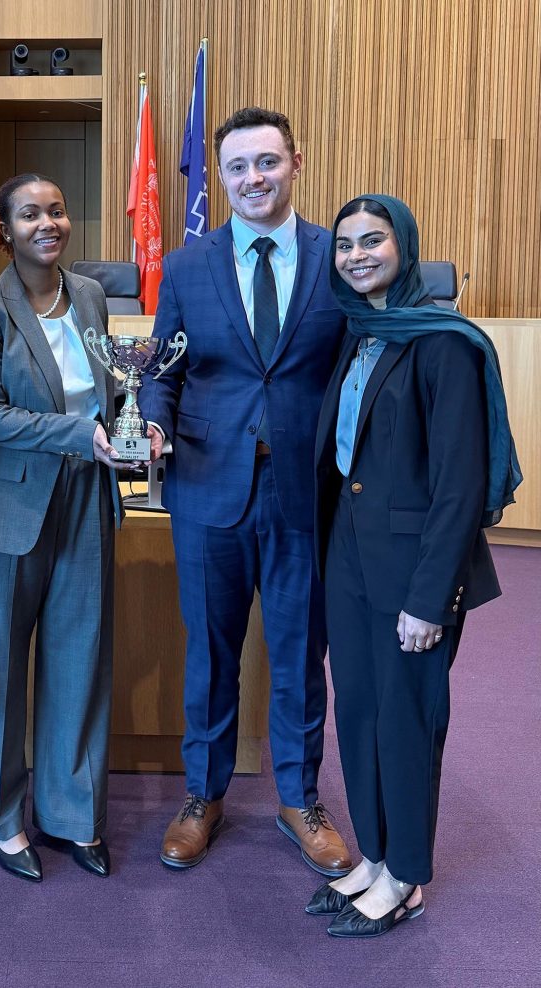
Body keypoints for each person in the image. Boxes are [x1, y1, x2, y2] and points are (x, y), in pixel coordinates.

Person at [138, 107, 353, 875]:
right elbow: (162, 369)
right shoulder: (187, 266)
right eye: (237, 167)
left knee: (300, 653)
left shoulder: (339, 256)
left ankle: (300, 799)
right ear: (220, 177)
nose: (253, 178)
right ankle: (203, 795)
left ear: (295, 162)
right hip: (206, 487)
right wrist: (151, 423)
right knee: (210, 653)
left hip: (306, 491)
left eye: (267, 162)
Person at [307, 194, 518, 936]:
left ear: (405, 246)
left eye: (373, 240)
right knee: (359, 713)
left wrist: (431, 599)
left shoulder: (443, 341)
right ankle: (374, 856)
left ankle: (405, 876)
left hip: (413, 569)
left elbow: (459, 486)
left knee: (406, 722)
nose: (356, 255)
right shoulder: (359, 331)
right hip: (348, 553)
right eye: (344, 244)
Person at [0, 173, 130, 881]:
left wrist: (132, 427)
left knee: (80, 657)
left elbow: (110, 388)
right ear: (4, 230)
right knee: (3, 667)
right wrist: (80, 434)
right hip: (13, 506)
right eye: (29, 214)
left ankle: (72, 814)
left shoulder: (89, 295)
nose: (47, 223)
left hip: (87, 493)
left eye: (56, 210)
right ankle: (1, 815)